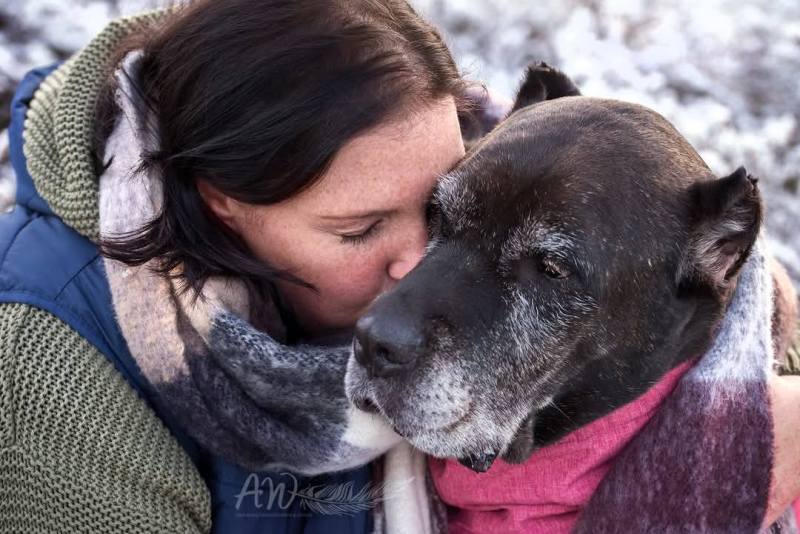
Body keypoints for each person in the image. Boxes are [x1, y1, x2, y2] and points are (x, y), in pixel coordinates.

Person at [0, 0, 797, 532]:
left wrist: (747, 435)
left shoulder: (512, 165)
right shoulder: (46, 365)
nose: (417, 268)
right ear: (221, 203)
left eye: (438, 211)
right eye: (359, 231)